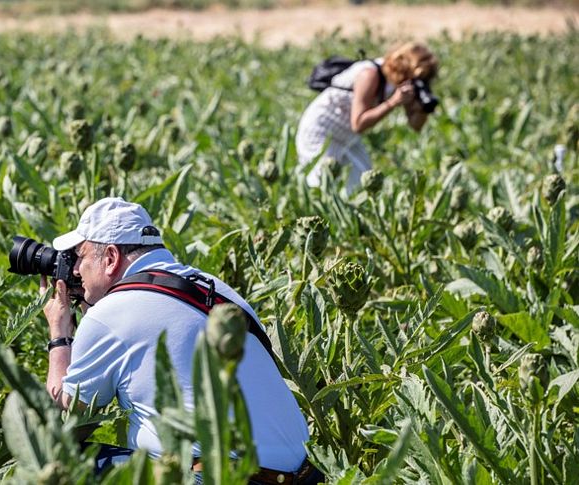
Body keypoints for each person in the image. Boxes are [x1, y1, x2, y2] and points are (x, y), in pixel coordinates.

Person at [40, 196, 316, 483]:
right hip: (303, 474)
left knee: (57, 460)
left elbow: (71, 406)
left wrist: (59, 333)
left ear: (110, 258)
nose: (73, 270)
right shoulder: (213, 286)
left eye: (80, 257)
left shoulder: (111, 314)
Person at [295, 42, 439, 191]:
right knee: (322, 184)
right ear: (405, 66)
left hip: (347, 136)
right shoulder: (369, 74)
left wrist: (422, 107)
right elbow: (358, 123)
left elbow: (416, 126)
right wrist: (393, 102)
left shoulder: (402, 83)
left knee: (362, 186)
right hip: (321, 130)